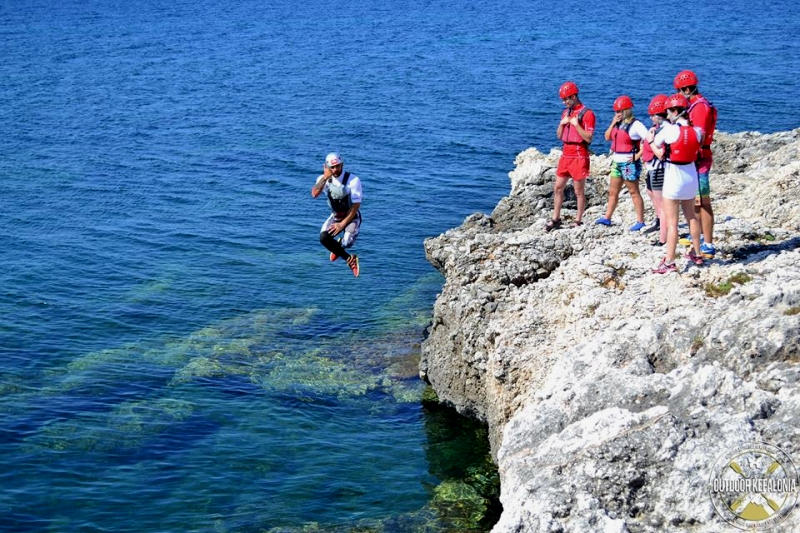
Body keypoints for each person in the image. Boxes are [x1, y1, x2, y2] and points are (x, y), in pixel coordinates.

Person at [647, 93, 704, 273]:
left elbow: (657, 149)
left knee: (672, 223)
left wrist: (649, 140)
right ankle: (697, 252)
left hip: (673, 177)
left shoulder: (670, 131)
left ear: (674, 110)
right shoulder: (697, 131)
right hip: (691, 175)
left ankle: (670, 261)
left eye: (669, 111)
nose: (668, 114)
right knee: (691, 217)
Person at [674, 69, 718, 258]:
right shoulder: (696, 104)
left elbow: (698, 135)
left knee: (702, 201)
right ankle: (699, 237)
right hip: (695, 157)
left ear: (685, 89)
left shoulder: (699, 107)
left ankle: (707, 242)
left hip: (700, 158)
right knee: (695, 201)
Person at [546, 81, 596, 231]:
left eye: (566, 99)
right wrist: (562, 124)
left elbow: (588, 138)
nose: (564, 102)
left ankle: (578, 220)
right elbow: (559, 136)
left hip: (579, 153)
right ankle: (556, 218)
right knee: (558, 187)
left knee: (578, 191)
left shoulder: (587, 114)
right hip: (566, 152)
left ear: (574, 96)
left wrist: (576, 125)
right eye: (563, 99)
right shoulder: (565, 112)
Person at [596, 95, 649, 231]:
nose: (618, 114)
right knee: (613, 191)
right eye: (616, 112)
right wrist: (613, 123)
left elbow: (648, 139)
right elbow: (607, 137)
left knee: (633, 191)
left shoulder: (636, 125)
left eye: (620, 111)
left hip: (628, 163)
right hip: (616, 162)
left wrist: (638, 155)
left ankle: (640, 220)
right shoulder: (617, 124)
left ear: (627, 110)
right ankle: (607, 217)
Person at [310, 152, 362, 277]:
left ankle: (339, 246)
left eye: (337, 166)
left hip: (351, 217)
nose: (335, 170)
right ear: (326, 167)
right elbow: (314, 194)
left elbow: (356, 206)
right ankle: (350, 259)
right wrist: (324, 177)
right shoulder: (323, 180)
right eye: (332, 167)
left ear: (342, 164)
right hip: (336, 216)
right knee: (323, 238)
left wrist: (342, 225)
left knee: (347, 243)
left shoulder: (353, 180)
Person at [641, 94, 669, 246]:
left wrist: (651, 141)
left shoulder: (663, 131)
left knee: (663, 205)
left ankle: (663, 238)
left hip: (659, 169)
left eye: (653, 115)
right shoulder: (658, 129)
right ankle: (660, 224)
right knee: (652, 194)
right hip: (653, 168)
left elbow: (661, 153)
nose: (651, 118)